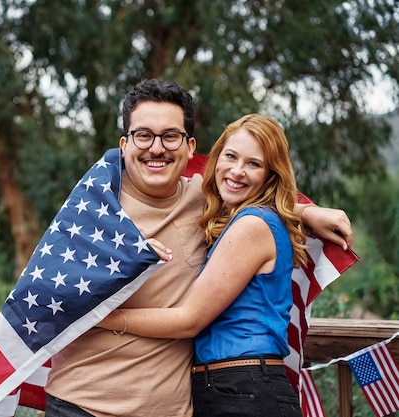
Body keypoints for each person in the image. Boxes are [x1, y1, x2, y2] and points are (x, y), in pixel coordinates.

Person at [44, 80, 352, 417]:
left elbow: (190, 317)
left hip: (212, 398)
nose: (157, 148)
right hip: (83, 406)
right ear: (124, 143)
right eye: (144, 135)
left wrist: (307, 211)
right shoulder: (91, 211)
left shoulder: (207, 203)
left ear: (190, 146)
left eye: (170, 136)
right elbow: (48, 294)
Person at [97, 114, 310, 416]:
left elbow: (189, 319)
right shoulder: (238, 219)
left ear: (270, 175)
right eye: (231, 156)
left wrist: (103, 316)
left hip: (245, 387)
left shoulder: (252, 224)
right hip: (231, 386)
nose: (237, 171)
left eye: (254, 164)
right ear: (217, 156)